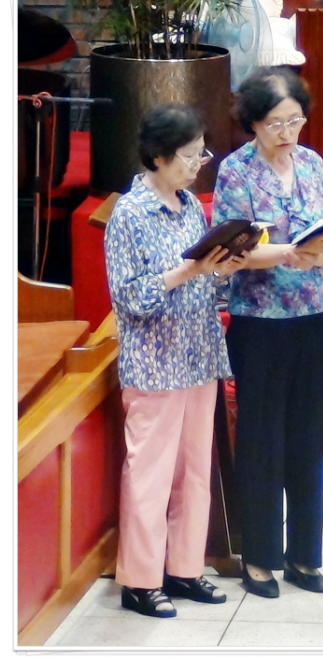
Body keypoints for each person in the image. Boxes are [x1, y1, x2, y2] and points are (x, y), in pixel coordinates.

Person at [212, 66, 323, 598]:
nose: (287, 132)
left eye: (295, 120)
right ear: (252, 122)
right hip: (259, 317)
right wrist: (288, 254)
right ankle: (259, 558)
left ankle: (303, 556)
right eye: (275, 123)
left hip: (313, 312)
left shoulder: (312, 163)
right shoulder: (236, 170)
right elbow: (233, 247)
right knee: (261, 436)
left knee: (306, 434)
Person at [105, 104, 248, 618]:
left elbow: (204, 281)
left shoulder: (189, 205)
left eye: (201, 154)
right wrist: (187, 271)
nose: (197, 165)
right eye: (189, 156)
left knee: (194, 471)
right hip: (155, 363)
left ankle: (185, 568)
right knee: (150, 474)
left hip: (199, 354)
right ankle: (140, 581)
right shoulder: (129, 214)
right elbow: (130, 298)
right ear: (159, 157)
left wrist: (223, 268)